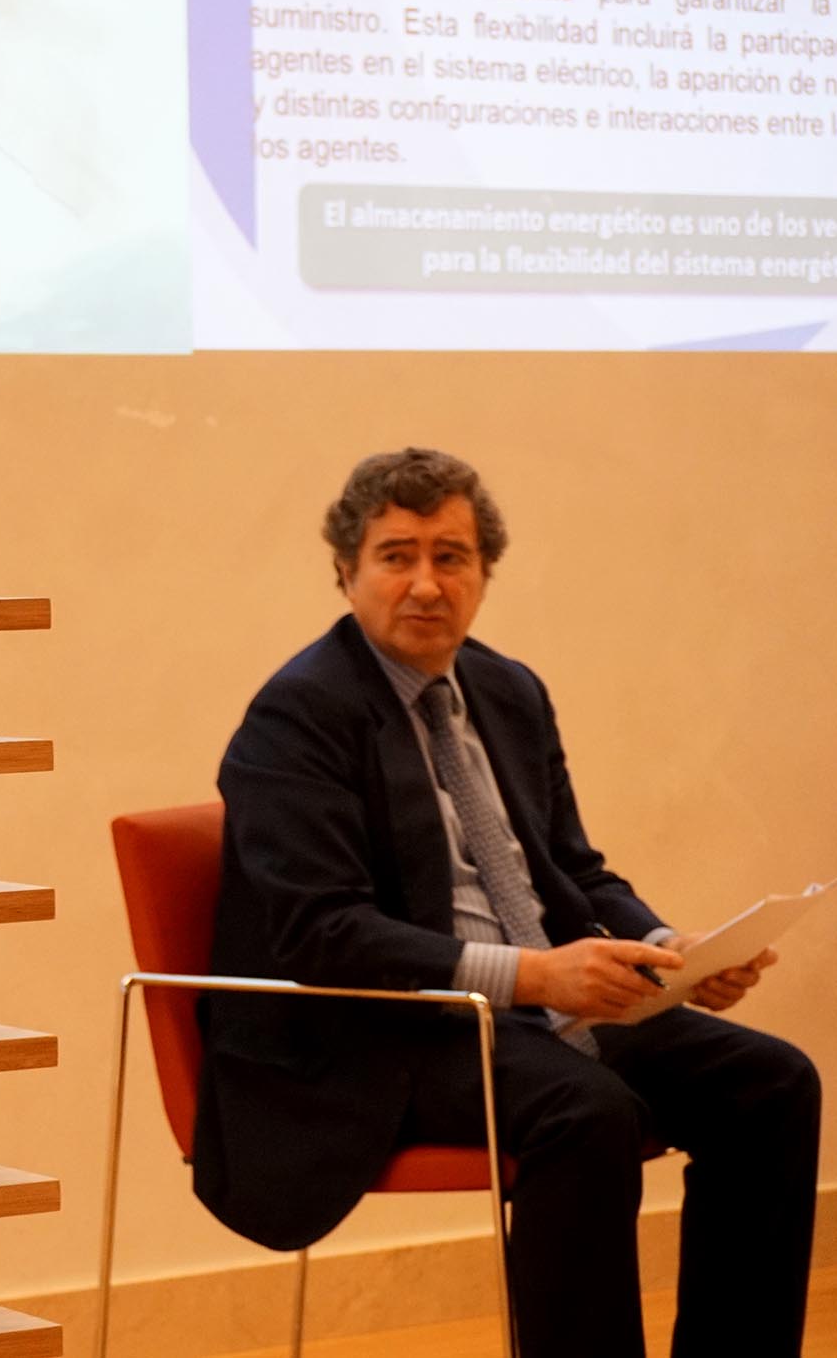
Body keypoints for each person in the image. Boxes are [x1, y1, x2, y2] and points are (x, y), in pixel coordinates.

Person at [195, 448, 818, 1358]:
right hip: (380, 1029)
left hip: (535, 1008)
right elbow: (322, 934)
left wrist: (668, 947)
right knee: (588, 1112)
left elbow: (573, 868)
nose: (425, 583)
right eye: (396, 556)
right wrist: (535, 976)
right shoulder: (297, 716)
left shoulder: (507, 690)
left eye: (451, 556)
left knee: (773, 1083)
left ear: (484, 573)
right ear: (346, 571)